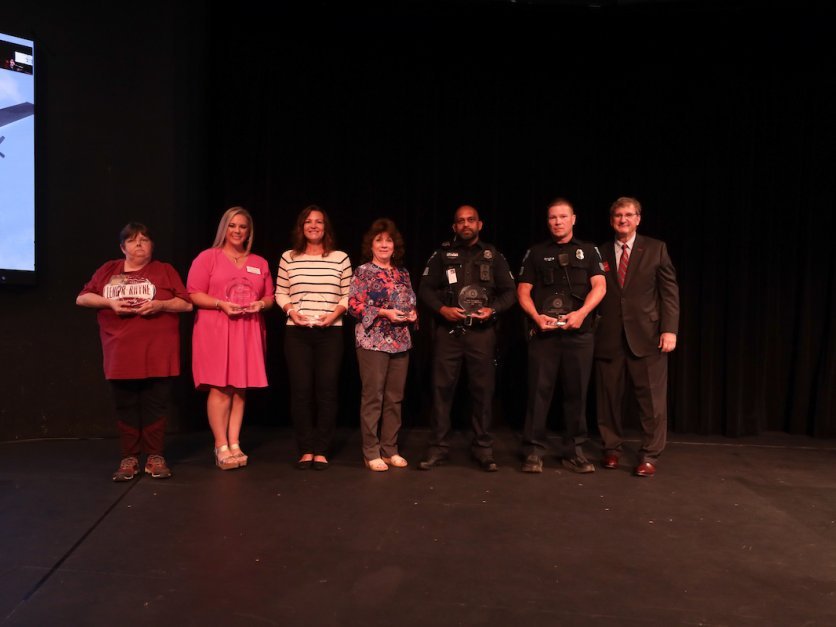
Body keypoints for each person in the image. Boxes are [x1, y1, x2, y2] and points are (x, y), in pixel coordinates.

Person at [76, 223, 192, 481]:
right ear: (122, 247)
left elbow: (185, 304)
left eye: (144, 239)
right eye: (132, 240)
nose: (139, 244)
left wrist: (160, 304)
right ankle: (129, 457)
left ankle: (154, 456)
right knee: (125, 404)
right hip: (121, 352)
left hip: (158, 352)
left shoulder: (164, 270)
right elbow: (82, 298)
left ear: (152, 246)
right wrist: (109, 302)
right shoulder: (108, 270)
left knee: (156, 404)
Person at [417, 204, 516, 472]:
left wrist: (492, 309)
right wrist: (442, 309)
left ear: (479, 224)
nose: (465, 224)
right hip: (448, 332)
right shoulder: (441, 254)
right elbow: (425, 288)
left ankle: (483, 448)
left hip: (481, 334)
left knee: (483, 392)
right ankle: (438, 447)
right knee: (441, 391)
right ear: (454, 227)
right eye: (460, 221)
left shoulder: (492, 255)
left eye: (470, 220)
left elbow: (510, 292)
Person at [517, 198, 606, 474]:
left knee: (576, 394)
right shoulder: (535, 252)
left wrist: (581, 314)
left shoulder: (589, 251)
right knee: (538, 393)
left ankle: (574, 451)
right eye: (553, 217)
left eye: (563, 217)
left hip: (578, 333)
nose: (557, 222)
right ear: (548, 221)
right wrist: (535, 317)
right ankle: (533, 451)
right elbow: (523, 291)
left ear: (573, 219)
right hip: (544, 333)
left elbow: (600, 287)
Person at [594, 196, 680, 477]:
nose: (623, 220)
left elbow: (669, 293)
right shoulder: (600, 251)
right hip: (609, 335)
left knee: (652, 401)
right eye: (618, 215)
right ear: (611, 220)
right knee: (609, 397)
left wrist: (670, 329)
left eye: (629, 215)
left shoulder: (656, 249)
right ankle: (611, 449)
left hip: (647, 335)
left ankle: (650, 455)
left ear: (638, 219)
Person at [187, 207, 274, 470]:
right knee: (220, 388)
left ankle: (234, 442)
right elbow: (193, 293)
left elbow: (269, 297)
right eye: (232, 226)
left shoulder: (259, 262)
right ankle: (220, 445)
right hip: (216, 329)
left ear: (249, 231)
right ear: (224, 228)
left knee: (239, 388)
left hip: (247, 329)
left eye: (242, 227)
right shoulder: (208, 258)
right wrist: (219, 304)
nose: (237, 231)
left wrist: (261, 304)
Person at [275, 205, 353, 470]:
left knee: (327, 390)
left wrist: (333, 315)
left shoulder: (340, 258)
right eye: (308, 221)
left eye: (319, 222)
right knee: (300, 391)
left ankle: (322, 449)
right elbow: (280, 292)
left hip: (331, 331)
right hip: (296, 332)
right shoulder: (289, 257)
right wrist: (291, 311)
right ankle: (305, 448)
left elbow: (348, 295)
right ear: (301, 227)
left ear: (325, 227)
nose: (314, 226)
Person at [348, 218, 418, 472]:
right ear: (371, 244)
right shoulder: (363, 272)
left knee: (394, 398)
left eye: (388, 240)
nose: (384, 244)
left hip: (400, 341)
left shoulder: (402, 273)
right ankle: (371, 451)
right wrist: (383, 313)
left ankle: (390, 449)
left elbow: (410, 302)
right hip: (372, 341)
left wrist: (412, 315)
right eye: (379, 240)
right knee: (373, 397)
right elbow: (354, 305)